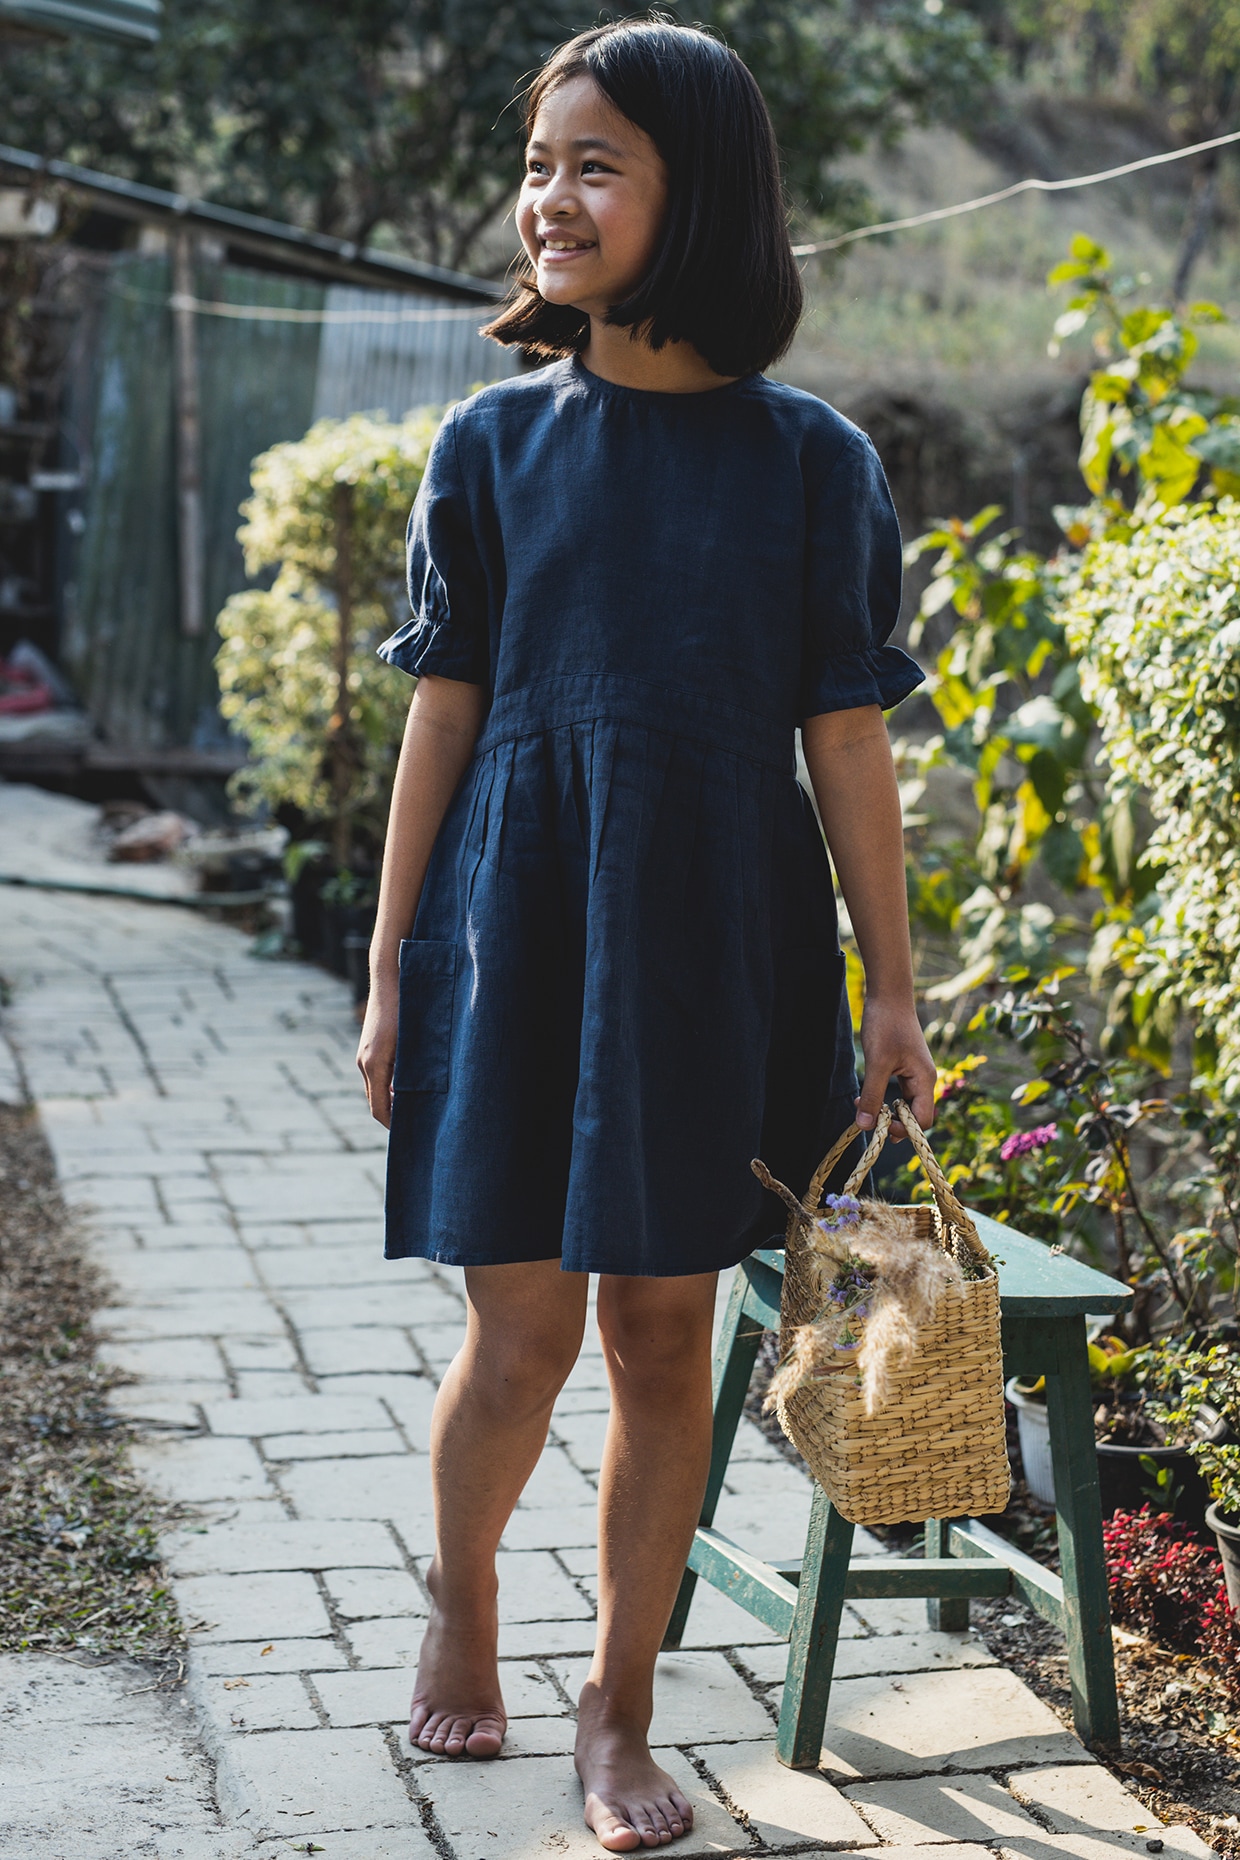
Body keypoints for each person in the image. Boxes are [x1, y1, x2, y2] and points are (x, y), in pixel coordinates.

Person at [356, 18, 936, 1852]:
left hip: (712, 943)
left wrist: (898, 990)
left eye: (594, 165)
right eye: (540, 166)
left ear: (703, 200)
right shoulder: (492, 445)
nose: (550, 197)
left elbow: (844, 736)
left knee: (666, 1337)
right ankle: (464, 1597)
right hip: (518, 930)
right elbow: (439, 716)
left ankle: (621, 1704)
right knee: (515, 1331)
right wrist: (389, 966)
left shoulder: (809, 466)